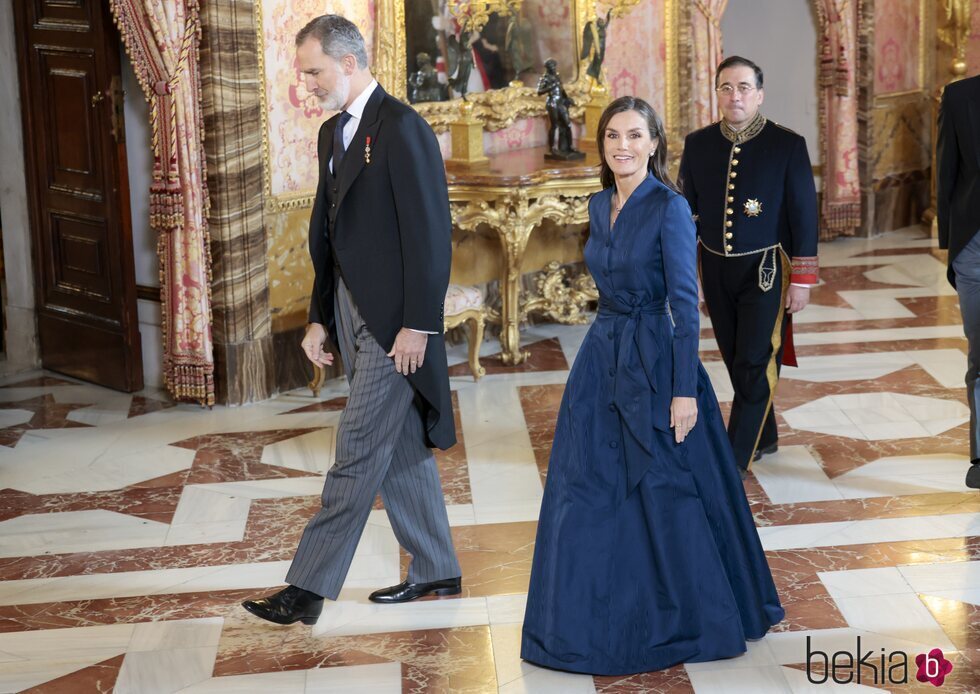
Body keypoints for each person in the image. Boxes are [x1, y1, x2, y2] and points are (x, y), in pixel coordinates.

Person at [521, 96, 784, 675]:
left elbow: (687, 304)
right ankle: (593, 613)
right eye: (613, 135)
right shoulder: (597, 204)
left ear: (655, 143)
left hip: (658, 359)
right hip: (603, 356)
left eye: (635, 135)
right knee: (586, 486)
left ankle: (683, 611)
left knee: (667, 487)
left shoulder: (669, 207)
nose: (623, 146)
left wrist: (683, 389)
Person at [242, 14, 461, 626]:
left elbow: (430, 237)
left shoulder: (404, 129)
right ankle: (436, 566)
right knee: (399, 447)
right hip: (348, 308)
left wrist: (419, 323)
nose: (306, 83)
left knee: (358, 447)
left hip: (397, 324)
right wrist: (319, 318)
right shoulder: (331, 134)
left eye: (312, 71)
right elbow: (328, 235)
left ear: (348, 62)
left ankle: (306, 589)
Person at [678, 55, 819, 475]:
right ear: (717, 92)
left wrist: (804, 279)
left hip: (766, 270)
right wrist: (691, 277)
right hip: (715, 268)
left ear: (759, 94)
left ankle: (731, 456)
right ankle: (766, 435)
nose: (734, 95)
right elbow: (688, 216)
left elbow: (804, 215)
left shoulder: (787, 144)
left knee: (756, 359)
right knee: (736, 357)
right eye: (726, 87)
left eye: (743, 88)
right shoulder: (698, 143)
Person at [936, 73, 980, 489]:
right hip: (976, 249)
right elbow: (946, 170)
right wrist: (949, 240)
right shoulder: (959, 96)